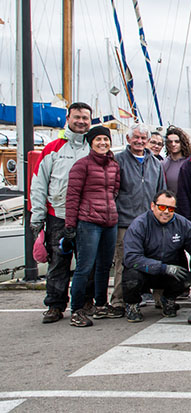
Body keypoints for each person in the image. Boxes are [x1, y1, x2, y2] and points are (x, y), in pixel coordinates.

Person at [29, 102, 93, 324]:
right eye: (77, 117)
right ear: (68, 119)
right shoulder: (53, 148)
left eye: (85, 118)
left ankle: (85, 303)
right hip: (58, 214)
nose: (81, 121)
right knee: (58, 261)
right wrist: (36, 216)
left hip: (86, 216)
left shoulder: (92, 148)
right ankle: (55, 305)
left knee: (86, 262)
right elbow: (38, 183)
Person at [64, 126, 120, 327]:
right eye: (98, 139)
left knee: (105, 266)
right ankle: (77, 310)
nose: (103, 143)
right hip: (88, 222)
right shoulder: (82, 166)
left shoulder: (114, 165)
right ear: (91, 142)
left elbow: (114, 191)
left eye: (106, 139)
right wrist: (70, 224)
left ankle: (101, 305)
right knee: (84, 267)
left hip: (109, 222)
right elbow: (72, 197)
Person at [122, 190, 191, 323]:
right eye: (162, 207)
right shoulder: (139, 225)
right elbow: (131, 258)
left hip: (171, 270)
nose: (166, 211)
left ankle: (168, 299)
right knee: (131, 278)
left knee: (185, 278)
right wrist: (162, 268)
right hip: (145, 271)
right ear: (152, 206)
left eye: (171, 208)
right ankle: (132, 305)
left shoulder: (181, 223)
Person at [110, 123, 165, 317]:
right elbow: (112, 191)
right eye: (136, 138)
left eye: (143, 138)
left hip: (150, 222)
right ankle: (118, 300)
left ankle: (161, 298)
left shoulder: (156, 164)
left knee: (156, 258)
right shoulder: (117, 161)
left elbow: (161, 194)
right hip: (125, 221)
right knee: (123, 262)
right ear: (128, 139)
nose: (140, 141)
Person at [162, 126, 191, 197]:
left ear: (182, 143)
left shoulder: (189, 162)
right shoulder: (163, 164)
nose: (173, 144)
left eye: (177, 141)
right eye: (170, 142)